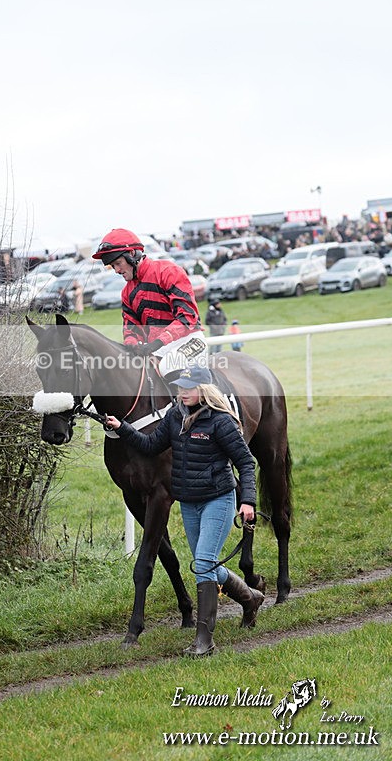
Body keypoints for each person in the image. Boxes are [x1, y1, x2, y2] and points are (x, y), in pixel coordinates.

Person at [104, 365, 264, 657]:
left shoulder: (221, 421)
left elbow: (245, 462)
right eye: (181, 387)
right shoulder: (174, 416)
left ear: (205, 388)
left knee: (202, 563)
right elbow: (150, 445)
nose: (183, 392)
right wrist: (122, 428)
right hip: (189, 503)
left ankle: (204, 640)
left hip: (218, 499)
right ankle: (250, 598)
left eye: (190, 387)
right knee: (207, 565)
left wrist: (248, 501)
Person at [92, 229, 207, 379]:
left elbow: (188, 317)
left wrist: (159, 342)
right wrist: (131, 343)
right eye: (113, 266)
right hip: (158, 348)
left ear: (132, 254)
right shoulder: (127, 293)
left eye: (118, 263)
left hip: (189, 340)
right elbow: (131, 329)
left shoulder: (168, 272)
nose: (117, 270)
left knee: (168, 366)